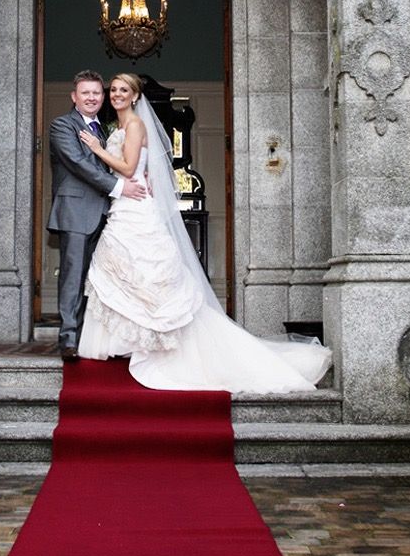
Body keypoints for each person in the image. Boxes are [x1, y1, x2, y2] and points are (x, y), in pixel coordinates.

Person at [77, 72, 333, 393]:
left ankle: (156, 342)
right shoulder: (121, 127)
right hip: (129, 201)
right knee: (125, 271)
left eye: (123, 90)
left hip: (135, 206)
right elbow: (136, 169)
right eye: (112, 90)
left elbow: (127, 168)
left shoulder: (135, 125)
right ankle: (131, 340)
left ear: (135, 96)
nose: (116, 95)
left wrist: (96, 148)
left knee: (138, 270)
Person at [47, 69, 147, 361]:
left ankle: (99, 338)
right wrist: (120, 186)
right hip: (76, 212)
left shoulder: (105, 129)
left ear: (102, 97)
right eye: (86, 93)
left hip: (109, 215)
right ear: (74, 97)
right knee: (73, 276)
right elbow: (78, 164)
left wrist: (145, 174)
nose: (92, 98)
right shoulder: (62, 126)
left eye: (96, 93)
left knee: (102, 280)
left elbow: (123, 160)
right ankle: (68, 340)